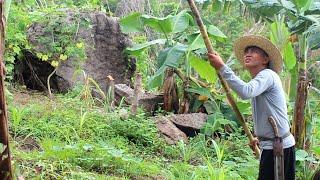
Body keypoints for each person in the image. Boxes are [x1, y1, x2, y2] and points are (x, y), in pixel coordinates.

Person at [208, 35, 295, 179]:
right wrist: (261, 138)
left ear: (265, 59)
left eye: (253, 51)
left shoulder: (267, 75)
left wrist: (222, 68)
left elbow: (245, 92)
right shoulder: (259, 80)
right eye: (246, 51)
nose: (248, 54)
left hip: (279, 148)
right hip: (271, 146)